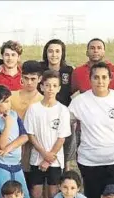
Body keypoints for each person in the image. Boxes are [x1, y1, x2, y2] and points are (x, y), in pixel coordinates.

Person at [69, 62, 114, 198]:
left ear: (110, 78)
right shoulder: (79, 102)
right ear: (90, 79)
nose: (100, 81)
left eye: (104, 77)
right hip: (90, 161)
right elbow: (66, 124)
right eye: (96, 77)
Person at [24, 70, 71, 198]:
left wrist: (49, 157)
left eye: (54, 86)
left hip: (55, 160)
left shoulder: (62, 110)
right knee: (36, 193)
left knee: (53, 194)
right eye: (47, 85)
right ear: (41, 86)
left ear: (58, 88)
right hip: (37, 158)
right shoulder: (34, 109)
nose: (51, 89)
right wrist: (43, 155)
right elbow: (30, 135)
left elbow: (62, 137)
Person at [41, 39, 75, 169]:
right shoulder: (40, 69)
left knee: (64, 155)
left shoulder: (69, 71)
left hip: (64, 118)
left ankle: (65, 178)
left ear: (62, 53)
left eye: (57, 51)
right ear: (46, 53)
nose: (54, 55)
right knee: (45, 152)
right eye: (50, 51)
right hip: (44, 116)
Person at [9, 60, 44, 188]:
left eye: (33, 79)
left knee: (32, 184)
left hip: (34, 145)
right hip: (13, 145)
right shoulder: (11, 97)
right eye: (26, 78)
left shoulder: (42, 100)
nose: (29, 82)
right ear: (21, 77)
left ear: (40, 79)